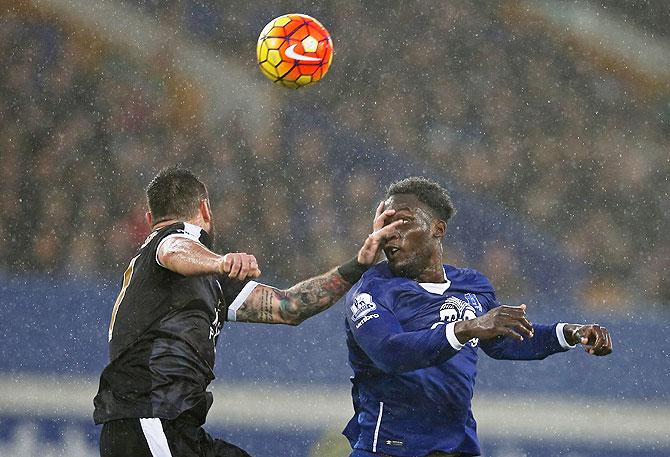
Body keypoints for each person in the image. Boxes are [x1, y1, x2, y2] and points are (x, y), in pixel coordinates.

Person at [93, 167, 402, 457]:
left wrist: (358, 264)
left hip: (166, 427)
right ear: (205, 210)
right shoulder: (174, 242)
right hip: (150, 421)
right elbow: (174, 247)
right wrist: (219, 261)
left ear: (149, 217)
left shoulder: (197, 280)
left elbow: (289, 307)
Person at [342, 177, 613, 457]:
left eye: (404, 223)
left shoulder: (472, 285)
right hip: (389, 449)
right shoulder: (372, 290)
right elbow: (390, 352)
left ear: (438, 229)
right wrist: (467, 328)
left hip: (457, 448)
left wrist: (570, 333)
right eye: (387, 225)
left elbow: (505, 341)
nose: (391, 234)